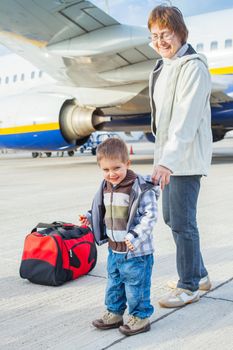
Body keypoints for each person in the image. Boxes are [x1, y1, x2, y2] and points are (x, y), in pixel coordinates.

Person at [147, 5, 212, 308]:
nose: (160, 41)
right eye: (155, 36)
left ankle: (188, 287)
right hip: (170, 158)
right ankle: (198, 275)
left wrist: (166, 162)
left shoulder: (193, 67)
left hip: (183, 159)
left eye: (166, 34)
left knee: (183, 222)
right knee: (172, 218)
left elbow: (185, 122)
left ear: (180, 32)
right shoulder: (165, 66)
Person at [79, 138, 159, 336]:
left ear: (128, 164)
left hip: (136, 251)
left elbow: (150, 216)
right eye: (105, 170)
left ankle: (140, 316)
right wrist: (90, 217)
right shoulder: (106, 186)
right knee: (114, 282)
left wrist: (134, 237)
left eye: (116, 168)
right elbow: (104, 209)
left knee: (135, 285)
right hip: (114, 248)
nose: (111, 174)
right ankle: (114, 312)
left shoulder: (141, 187)